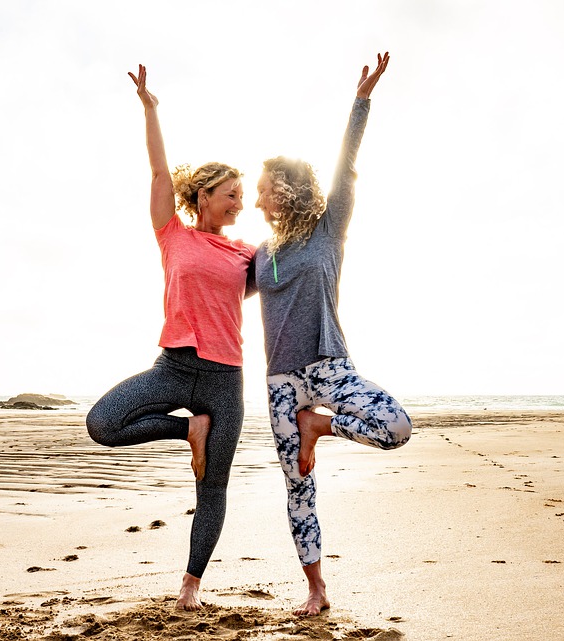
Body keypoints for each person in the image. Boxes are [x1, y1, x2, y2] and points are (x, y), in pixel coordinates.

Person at [249, 52, 413, 616]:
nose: (256, 199)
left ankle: (320, 426)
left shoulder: (328, 228)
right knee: (297, 483)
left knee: (395, 427)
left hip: (329, 366)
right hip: (279, 383)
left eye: (264, 188)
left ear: (287, 190)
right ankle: (316, 590)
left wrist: (361, 101)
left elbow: (345, 166)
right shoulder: (261, 255)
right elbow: (217, 291)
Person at [86, 64, 255, 611]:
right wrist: (151, 109)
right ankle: (188, 432)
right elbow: (160, 175)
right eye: (232, 193)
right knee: (104, 424)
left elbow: (291, 272)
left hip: (226, 378)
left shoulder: (247, 255)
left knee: (213, 488)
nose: (240, 202)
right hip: (174, 367)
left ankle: (190, 586)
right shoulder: (172, 235)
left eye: (243, 195)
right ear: (205, 195)